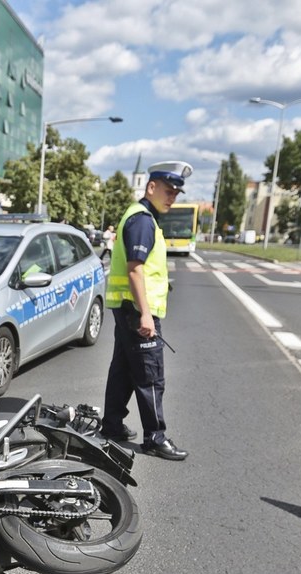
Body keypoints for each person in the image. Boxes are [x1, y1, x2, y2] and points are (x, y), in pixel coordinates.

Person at [99, 160, 191, 461]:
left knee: (123, 370)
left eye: (176, 193)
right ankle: (155, 437)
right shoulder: (141, 220)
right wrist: (146, 314)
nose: (172, 197)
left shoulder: (141, 216)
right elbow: (135, 270)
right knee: (151, 374)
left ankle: (111, 425)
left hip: (128, 308)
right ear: (151, 187)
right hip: (137, 311)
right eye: (168, 191)